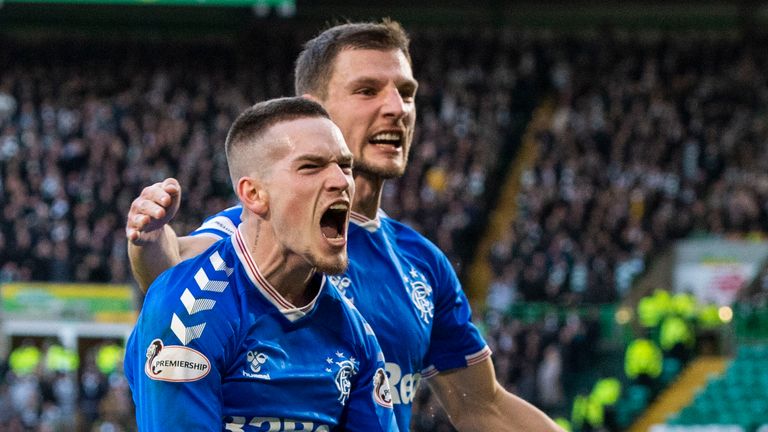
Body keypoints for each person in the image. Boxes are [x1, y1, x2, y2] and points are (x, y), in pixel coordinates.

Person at [126, 20, 562, 432]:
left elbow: (481, 405)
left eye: (406, 93)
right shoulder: (265, 232)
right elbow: (178, 275)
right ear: (314, 111)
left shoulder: (422, 264)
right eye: (368, 91)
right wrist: (148, 239)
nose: (396, 108)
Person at [124, 97, 397, 431]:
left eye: (345, 166)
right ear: (253, 195)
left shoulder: (356, 336)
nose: (341, 181)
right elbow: (170, 254)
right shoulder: (190, 313)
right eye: (311, 166)